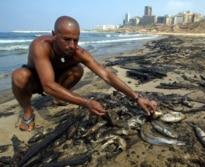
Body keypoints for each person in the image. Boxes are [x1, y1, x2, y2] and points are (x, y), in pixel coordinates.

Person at [11, 16, 157, 131]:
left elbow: (106, 75)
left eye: (76, 40)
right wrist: (86, 102)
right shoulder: (40, 46)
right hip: (37, 80)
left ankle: (57, 99)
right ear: (54, 35)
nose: (72, 46)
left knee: (77, 70)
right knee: (19, 76)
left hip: (57, 80)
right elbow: (48, 85)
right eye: (66, 39)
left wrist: (137, 97)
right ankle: (28, 111)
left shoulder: (78, 52)